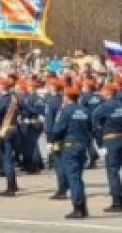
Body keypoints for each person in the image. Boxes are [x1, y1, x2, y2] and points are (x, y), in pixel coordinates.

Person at [50, 83, 93, 219]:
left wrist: (52, 140)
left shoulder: (66, 111)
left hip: (69, 146)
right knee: (78, 177)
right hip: (82, 146)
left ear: (67, 97)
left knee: (73, 177)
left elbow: (57, 129)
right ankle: (83, 208)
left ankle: (78, 207)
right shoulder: (85, 111)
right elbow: (90, 129)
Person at [92, 83, 122, 212]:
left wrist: (100, 143)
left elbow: (95, 124)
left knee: (112, 171)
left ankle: (117, 202)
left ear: (109, 93)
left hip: (111, 140)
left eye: (103, 92)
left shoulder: (104, 107)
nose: (102, 95)